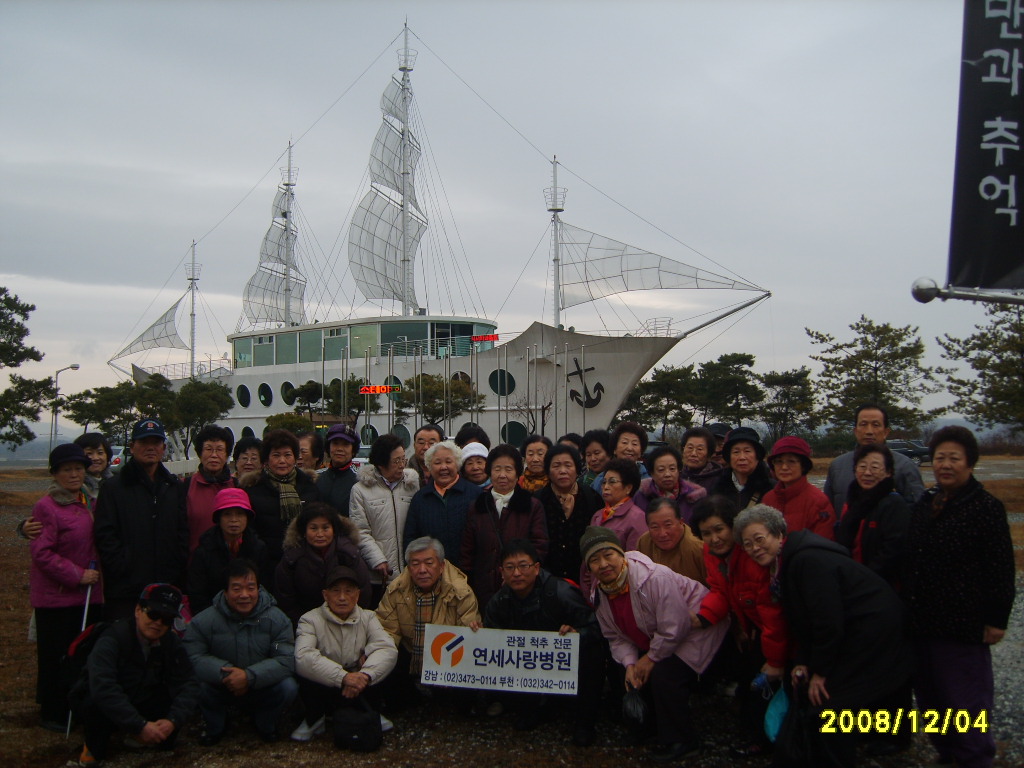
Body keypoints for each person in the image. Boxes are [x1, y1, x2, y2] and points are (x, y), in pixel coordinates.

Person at [735, 505, 911, 768]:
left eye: (760, 539)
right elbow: (804, 621)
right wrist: (804, 661)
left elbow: (827, 621)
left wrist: (820, 671)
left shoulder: (806, 561)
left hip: (872, 629)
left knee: (829, 701)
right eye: (748, 544)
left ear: (779, 533)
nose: (755, 548)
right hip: (856, 630)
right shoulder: (787, 562)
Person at [904, 426, 1015, 768]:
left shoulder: (985, 507)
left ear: (970, 463)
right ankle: (947, 753)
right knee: (931, 700)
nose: (945, 464)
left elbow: (1000, 568)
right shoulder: (927, 501)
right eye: (940, 458)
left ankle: (975, 758)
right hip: (923, 622)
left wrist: (996, 620)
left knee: (965, 704)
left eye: (954, 458)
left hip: (962, 627)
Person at [582, 527, 727, 762]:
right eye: (595, 560)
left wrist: (650, 658)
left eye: (609, 555)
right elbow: (615, 636)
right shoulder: (600, 592)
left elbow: (675, 625)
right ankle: (647, 727)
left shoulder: (653, 578)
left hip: (696, 627)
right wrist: (631, 664)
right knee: (627, 672)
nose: (604, 564)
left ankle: (683, 740)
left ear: (622, 555)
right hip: (655, 635)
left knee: (665, 675)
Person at [690, 496, 789, 758]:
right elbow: (720, 589)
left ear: (733, 527)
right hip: (752, 625)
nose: (714, 538)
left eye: (719, 529)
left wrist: (776, 660)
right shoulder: (711, 554)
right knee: (749, 682)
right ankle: (758, 733)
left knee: (768, 686)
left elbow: (773, 614)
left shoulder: (752, 555)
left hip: (774, 630)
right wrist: (703, 616)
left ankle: (771, 741)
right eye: (706, 533)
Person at [478, 540, 601, 746]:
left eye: (523, 566)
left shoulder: (560, 592)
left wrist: (576, 633)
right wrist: (477, 632)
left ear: (536, 568)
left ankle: (585, 723)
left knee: (590, 654)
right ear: (502, 572)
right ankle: (534, 709)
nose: (516, 573)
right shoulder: (500, 601)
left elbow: (596, 628)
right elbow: (491, 639)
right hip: (531, 665)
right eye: (510, 567)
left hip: (569, 663)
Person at [69, 584, 198, 767]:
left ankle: (141, 734)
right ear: (138, 610)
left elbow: (189, 682)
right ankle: (93, 746)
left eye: (167, 619)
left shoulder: (171, 642)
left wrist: (173, 720)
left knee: (167, 714)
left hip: (144, 693)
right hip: (108, 701)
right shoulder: (112, 638)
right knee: (93, 703)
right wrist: (139, 725)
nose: (158, 623)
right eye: (153, 614)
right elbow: (103, 687)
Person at [30, 443, 103, 731]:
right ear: (55, 473)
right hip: (57, 597)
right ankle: (54, 712)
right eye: (67, 470)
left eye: (78, 469)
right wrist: (76, 575)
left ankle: (77, 706)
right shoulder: (47, 506)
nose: (74, 475)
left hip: (89, 594)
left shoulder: (89, 501)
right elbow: (42, 553)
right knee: (56, 656)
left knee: (82, 654)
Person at [184, 560, 298, 745]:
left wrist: (249, 676)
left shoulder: (277, 619)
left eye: (250, 588)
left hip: (261, 684)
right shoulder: (204, 621)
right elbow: (194, 656)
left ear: (259, 588)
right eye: (236, 589)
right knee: (197, 684)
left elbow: (285, 659)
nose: (244, 595)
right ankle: (215, 725)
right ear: (225, 591)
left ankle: (265, 723)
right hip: (222, 684)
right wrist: (227, 673)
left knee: (288, 687)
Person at [94, 418, 188, 619]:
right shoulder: (113, 488)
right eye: (144, 442)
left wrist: (175, 566)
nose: (150, 448)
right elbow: (105, 534)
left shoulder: (173, 487)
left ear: (163, 447)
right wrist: (123, 567)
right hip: (126, 588)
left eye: (156, 443)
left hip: (166, 583)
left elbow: (182, 530)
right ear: (132, 446)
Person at [292, 566, 398, 742]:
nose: (342, 597)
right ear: (325, 595)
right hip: (327, 683)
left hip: (359, 683)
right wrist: (342, 677)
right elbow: (303, 656)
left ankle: (371, 712)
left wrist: (365, 675)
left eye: (348, 591)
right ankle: (315, 719)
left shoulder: (369, 617)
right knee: (308, 673)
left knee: (380, 665)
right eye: (336, 591)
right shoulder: (309, 619)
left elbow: (386, 648)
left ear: (357, 595)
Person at [375, 537, 480, 692]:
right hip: (409, 652)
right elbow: (387, 631)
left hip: (448, 656)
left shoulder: (461, 592)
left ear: (441, 566)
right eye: (415, 564)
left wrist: (474, 630)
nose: (422, 570)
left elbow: (467, 637)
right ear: (409, 568)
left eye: (429, 563)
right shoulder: (395, 589)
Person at [460, 444, 549, 607]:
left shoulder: (532, 505)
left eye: (508, 469)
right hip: (483, 590)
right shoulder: (478, 506)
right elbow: (468, 550)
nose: (502, 475)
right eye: (497, 469)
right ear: (489, 472)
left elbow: (539, 545)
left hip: (522, 589)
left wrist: (521, 574)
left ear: (517, 473)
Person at [348, 433, 420, 606]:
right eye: (396, 461)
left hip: (411, 571)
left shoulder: (412, 484)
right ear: (380, 463)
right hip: (379, 575)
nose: (402, 465)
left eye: (403, 459)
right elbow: (360, 531)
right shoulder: (360, 490)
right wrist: (377, 559)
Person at [275, 502, 373, 624]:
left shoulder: (348, 554)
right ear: (304, 531)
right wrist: (306, 623)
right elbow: (286, 599)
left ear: (334, 530)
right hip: (306, 622)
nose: (320, 534)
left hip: (347, 620)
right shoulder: (292, 559)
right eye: (313, 528)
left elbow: (363, 591)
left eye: (325, 528)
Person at [822, 404, 924, 516]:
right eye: (863, 424)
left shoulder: (904, 466)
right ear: (855, 431)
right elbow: (827, 511)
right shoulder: (838, 465)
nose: (869, 431)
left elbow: (918, 511)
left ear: (886, 432)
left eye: (876, 425)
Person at [240, 428, 320, 566]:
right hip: (265, 563)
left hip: (304, 562)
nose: (282, 460)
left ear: (295, 458)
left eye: (287, 455)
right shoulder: (253, 489)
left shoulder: (309, 487)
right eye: (276, 455)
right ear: (266, 459)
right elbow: (249, 531)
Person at [835, 443, 911, 586]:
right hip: (850, 582)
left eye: (875, 467)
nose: (867, 473)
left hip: (880, 586)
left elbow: (891, 553)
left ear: (888, 472)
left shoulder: (894, 505)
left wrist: (863, 580)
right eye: (862, 467)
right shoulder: (852, 503)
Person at [188, 488, 271, 614]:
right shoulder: (204, 550)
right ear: (218, 518)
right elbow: (197, 594)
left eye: (239, 514)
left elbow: (265, 588)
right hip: (213, 616)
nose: (234, 520)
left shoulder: (258, 548)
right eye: (227, 514)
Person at [403, 440, 484, 567]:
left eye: (448, 461)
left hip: (469, 571)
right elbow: (411, 538)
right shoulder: (420, 498)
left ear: (457, 465)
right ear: (429, 467)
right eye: (437, 462)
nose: (443, 467)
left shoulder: (475, 494)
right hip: (431, 572)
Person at [534, 444, 603, 581]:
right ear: (547, 470)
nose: (563, 471)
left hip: (584, 576)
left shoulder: (592, 498)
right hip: (546, 579)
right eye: (556, 466)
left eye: (568, 465)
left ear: (577, 469)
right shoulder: (537, 500)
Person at [761, 436, 834, 539]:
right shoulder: (768, 499)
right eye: (779, 461)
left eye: (791, 461)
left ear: (803, 465)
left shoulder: (818, 502)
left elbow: (823, 545)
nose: (784, 467)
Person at [183, 424, 236, 554]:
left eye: (219, 449)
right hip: (195, 563)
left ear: (227, 454)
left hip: (231, 565)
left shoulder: (237, 486)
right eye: (208, 449)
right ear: (200, 453)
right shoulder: (185, 487)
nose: (214, 455)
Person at [636, 497, 705, 584]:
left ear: (681, 522)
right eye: (655, 527)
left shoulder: (697, 548)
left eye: (668, 525)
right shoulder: (644, 542)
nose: (662, 534)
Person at [633, 445, 707, 526]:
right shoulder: (641, 497)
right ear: (652, 473)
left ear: (679, 470)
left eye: (672, 469)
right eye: (661, 470)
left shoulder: (694, 497)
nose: (667, 474)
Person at [710, 426, 774, 510]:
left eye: (747, 451)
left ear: (757, 456)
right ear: (729, 457)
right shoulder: (717, 488)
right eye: (736, 452)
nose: (742, 457)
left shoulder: (772, 488)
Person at [591, 421, 650, 494]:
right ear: (615, 449)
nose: (629, 448)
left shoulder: (649, 480)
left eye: (634, 444)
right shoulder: (600, 480)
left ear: (641, 452)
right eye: (624, 442)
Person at [317, 423, 360, 516]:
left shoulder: (360, 481)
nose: (340, 449)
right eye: (335, 443)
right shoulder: (316, 478)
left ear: (353, 450)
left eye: (346, 444)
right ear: (328, 447)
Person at [678, 426, 724, 492]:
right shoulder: (676, 477)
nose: (693, 454)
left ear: (709, 454)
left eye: (699, 449)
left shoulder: (719, 481)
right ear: (683, 449)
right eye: (690, 448)